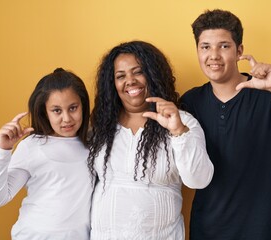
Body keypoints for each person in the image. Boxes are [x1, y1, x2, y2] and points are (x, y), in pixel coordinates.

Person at [180, 9, 271, 240]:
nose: (214, 55)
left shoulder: (270, 97)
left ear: (239, 51)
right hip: (207, 233)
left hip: (265, 233)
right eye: (205, 46)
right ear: (197, 51)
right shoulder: (190, 102)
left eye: (224, 46)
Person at [87, 40, 214, 239]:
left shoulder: (182, 121)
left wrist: (178, 131)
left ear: (153, 75)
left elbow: (199, 180)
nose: (130, 81)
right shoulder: (101, 126)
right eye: (120, 76)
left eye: (138, 72)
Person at [0, 68, 93, 240]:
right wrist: (2, 150)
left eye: (73, 108)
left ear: (83, 106)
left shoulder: (94, 145)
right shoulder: (32, 146)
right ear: (45, 111)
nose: (67, 118)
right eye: (56, 110)